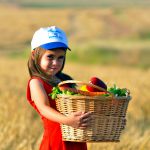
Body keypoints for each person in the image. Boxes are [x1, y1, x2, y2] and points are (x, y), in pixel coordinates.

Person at [26, 26, 91, 150]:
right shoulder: (36, 82)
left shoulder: (65, 81)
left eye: (60, 57)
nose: (55, 62)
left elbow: (82, 106)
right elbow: (44, 108)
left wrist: (111, 119)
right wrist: (68, 121)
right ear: (34, 55)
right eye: (50, 57)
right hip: (56, 143)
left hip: (77, 141)